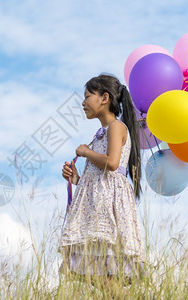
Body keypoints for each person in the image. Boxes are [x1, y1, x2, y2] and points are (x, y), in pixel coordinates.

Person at [59, 74, 144, 292]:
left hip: (106, 211)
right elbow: (98, 178)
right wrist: (76, 178)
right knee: (87, 271)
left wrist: (86, 152)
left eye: (88, 96)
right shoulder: (99, 135)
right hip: (96, 208)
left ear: (104, 98)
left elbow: (113, 164)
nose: (83, 102)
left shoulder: (116, 127)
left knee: (99, 273)